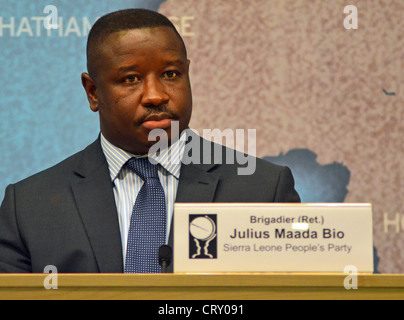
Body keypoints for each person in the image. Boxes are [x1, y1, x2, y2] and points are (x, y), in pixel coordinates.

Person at [0, 9, 300, 273]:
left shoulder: (263, 190)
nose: (156, 95)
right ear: (93, 92)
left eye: (171, 74)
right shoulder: (29, 207)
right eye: (130, 79)